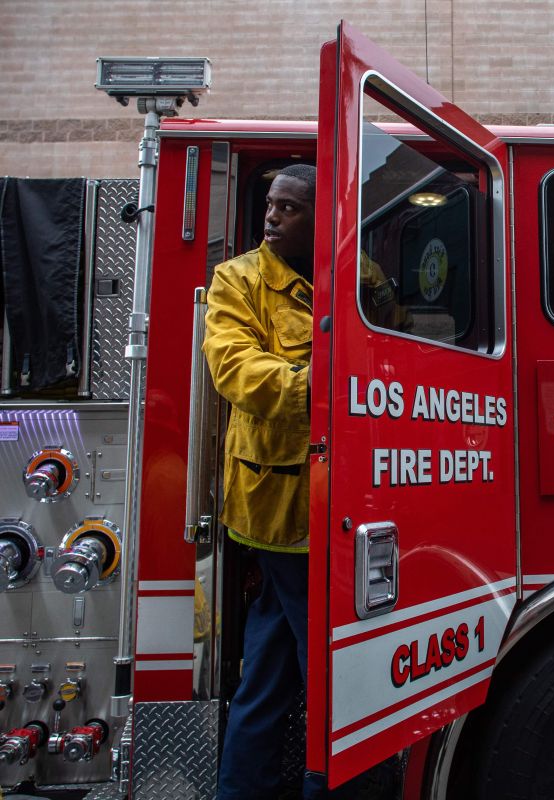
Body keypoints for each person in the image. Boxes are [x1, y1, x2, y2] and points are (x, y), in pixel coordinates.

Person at [203, 163, 321, 800]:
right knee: (327, 673)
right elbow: (236, 368)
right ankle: (321, 785)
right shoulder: (237, 279)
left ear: (319, 216)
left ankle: (241, 790)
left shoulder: (354, 277)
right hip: (276, 505)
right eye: (271, 206)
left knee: (270, 663)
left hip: (341, 501)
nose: (272, 217)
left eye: (290, 209)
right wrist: (326, 388)